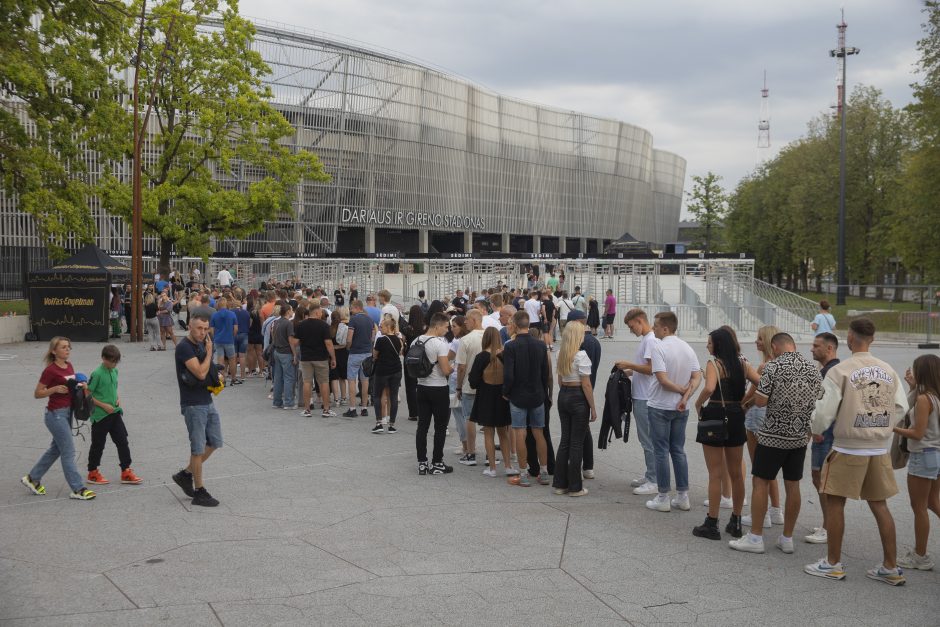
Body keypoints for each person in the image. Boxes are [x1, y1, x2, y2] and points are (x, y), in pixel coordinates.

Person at [805, 318, 908, 585]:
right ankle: (890, 566)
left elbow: (824, 411)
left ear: (850, 339)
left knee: (835, 501)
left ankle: (832, 563)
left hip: (848, 446)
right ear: (872, 339)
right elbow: (901, 407)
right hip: (877, 447)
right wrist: (884, 427)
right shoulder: (887, 369)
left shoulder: (842, 371)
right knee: (880, 505)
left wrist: (815, 426)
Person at [729, 333, 820, 555]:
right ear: (794, 345)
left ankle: (756, 537)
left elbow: (760, 401)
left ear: (775, 346)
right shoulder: (812, 369)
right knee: (793, 484)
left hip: (773, 435)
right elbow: (818, 399)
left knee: (761, 481)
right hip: (799, 436)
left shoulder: (773, 367)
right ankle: (787, 537)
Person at [692, 329, 760, 541]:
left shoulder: (715, 364)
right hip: (736, 414)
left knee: (715, 473)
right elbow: (761, 383)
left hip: (715, 413)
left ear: (718, 345)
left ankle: (712, 522)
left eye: (710, 343)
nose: (707, 346)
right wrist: (746, 404)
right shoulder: (742, 363)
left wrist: (698, 402)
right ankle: (736, 520)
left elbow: (710, 388)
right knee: (737, 473)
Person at [21, 337, 96, 500]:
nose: (67, 349)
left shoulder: (69, 366)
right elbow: (37, 393)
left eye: (68, 347)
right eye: (63, 347)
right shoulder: (50, 370)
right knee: (68, 451)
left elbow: (70, 386)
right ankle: (78, 488)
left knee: (56, 449)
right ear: (54, 351)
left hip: (68, 412)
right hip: (55, 415)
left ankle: (32, 478)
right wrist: (54, 388)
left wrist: (80, 385)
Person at [645, 311, 701, 513]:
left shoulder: (659, 347)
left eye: (656, 326)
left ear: (665, 328)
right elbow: (697, 376)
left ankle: (663, 496)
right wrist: (686, 397)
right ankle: (682, 495)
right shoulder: (687, 348)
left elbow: (662, 378)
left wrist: (681, 391)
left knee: (661, 450)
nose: (654, 328)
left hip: (660, 405)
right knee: (678, 449)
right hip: (680, 407)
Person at [893, 354, 940, 571]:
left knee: (919, 507)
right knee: (932, 503)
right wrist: (913, 386)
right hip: (936, 455)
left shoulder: (924, 399)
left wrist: (891, 428)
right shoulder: (934, 397)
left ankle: (921, 556)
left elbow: (917, 433)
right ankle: (920, 553)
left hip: (923, 455)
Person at [172, 314, 222, 507]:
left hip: (206, 399)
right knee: (198, 448)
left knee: (215, 442)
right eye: (199, 328)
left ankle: (186, 474)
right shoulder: (184, 347)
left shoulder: (202, 343)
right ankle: (199, 492)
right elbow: (199, 372)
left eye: (206, 328)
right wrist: (209, 353)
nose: (203, 332)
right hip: (193, 403)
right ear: (190, 327)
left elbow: (206, 371)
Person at [742, 325, 784, 529]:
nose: (756, 341)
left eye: (759, 338)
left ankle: (762, 513)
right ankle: (776, 510)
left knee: (758, 468)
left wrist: (741, 405)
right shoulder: (782, 365)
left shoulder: (764, 367)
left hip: (757, 417)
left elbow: (752, 395)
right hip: (773, 418)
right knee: (770, 469)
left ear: (768, 341)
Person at [503, 309, 550, 487]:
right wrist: (544, 391)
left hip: (518, 394)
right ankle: (543, 471)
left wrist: (506, 391)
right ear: (528, 324)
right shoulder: (540, 345)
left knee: (520, 433)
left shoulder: (511, 346)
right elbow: (545, 373)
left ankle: (523, 473)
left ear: (515, 324)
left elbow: (509, 374)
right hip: (537, 393)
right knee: (539, 433)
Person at [84, 345, 142, 486]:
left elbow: (114, 387)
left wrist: (117, 398)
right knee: (98, 444)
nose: (114, 364)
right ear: (103, 358)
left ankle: (126, 471)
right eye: (111, 361)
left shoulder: (114, 370)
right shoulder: (96, 373)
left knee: (122, 441)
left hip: (115, 413)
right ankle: (92, 472)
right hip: (100, 415)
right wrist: (104, 406)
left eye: (116, 361)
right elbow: (87, 394)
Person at [616, 308, 658, 495]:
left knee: (648, 439)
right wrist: (627, 372)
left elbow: (651, 369)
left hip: (646, 397)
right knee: (646, 438)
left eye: (632, 326)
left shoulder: (650, 340)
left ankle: (654, 479)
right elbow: (644, 369)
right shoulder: (647, 340)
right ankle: (651, 473)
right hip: (642, 395)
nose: (632, 330)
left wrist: (629, 365)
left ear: (640, 321)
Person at [552, 321, 597, 497]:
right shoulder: (582, 356)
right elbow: (586, 384)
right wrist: (592, 407)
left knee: (565, 440)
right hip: (578, 396)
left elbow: (560, 381)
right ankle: (575, 486)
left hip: (564, 395)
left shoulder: (560, 354)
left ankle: (560, 484)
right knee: (576, 443)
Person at [806, 332, 841, 544]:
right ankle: (827, 523)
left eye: (816, 345)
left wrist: (816, 430)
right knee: (820, 479)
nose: (812, 349)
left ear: (829, 348)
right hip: (825, 432)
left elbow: (827, 407)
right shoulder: (829, 370)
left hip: (826, 434)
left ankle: (829, 527)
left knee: (822, 480)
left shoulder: (831, 372)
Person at [469, 327, 517, 477]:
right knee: (504, 433)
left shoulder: (481, 357)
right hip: (502, 397)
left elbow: (473, 382)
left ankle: (492, 468)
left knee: (488, 432)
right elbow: (511, 377)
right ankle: (508, 465)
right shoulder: (504, 355)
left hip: (485, 397)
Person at [414, 312, 454, 475]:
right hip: (438, 387)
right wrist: (453, 368)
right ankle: (437, 462)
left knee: (422, 426)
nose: (447, 330)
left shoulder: (416, 341)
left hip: (421, 386)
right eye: (445, 327)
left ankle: (422, 462)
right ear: (437, 326)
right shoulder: (440, 343)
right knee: (440, 427)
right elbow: (445, 370)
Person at [295, 303, 336, 418]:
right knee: (324, 382)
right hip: (321, 358)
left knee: (307, 382)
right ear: (317, 312)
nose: (322, 313)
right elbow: (328, 343)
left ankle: (307, 409)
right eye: (321, 312)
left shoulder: (301, 325)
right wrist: (333, 357)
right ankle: (326, 409)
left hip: (306, 358)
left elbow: (295, 342)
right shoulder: (324, 326)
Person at [456, 310, 485, 465]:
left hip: (469, 384)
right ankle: (489, 455)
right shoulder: (491, 336)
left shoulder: (466, 339)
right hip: (488, 385)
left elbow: (461, 366)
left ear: (474, 320)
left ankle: (471, 453)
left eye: (467, 319)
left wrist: (459, 387)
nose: (465, 322)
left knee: (469, 418)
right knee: (488, 420)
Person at [370, 316, 403, 433]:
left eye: (382, 326)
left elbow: (375, 355)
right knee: (393, 396)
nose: (380, 328)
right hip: (396, 370)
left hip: (382, 370)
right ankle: (391, 424)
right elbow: (399, 352)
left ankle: (379, 423)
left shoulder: (381, 340)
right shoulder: (398, 340)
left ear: (389, 327)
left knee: (378, 395)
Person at [343, 299, 375, 418]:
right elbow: (372, 338)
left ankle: (352, 408)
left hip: (355, 352)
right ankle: (364, 407)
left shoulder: (354, 320)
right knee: (365, 380)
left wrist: (348, 346)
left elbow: (349, 338)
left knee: (352, 380)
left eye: (351, 308)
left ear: (357, 307)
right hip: (367, 353)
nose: (351, 310)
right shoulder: (370, 320)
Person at [269, 303, 298, 410]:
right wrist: (295, 354)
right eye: (291, 310)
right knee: (289, 378)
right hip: (286, 352)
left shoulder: (276, 322)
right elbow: (291, 341)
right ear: (288, 312)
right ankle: (289, 402)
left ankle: (277, 401)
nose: (292, 312)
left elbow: (272, 335)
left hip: (277, 351)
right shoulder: (288, 324)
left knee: (278, 378)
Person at [403, 305, 426, 421]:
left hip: (410, 357)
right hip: (422, 358)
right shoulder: (425, 329)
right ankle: (423, 410)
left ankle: (413, 412)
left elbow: (403, 342)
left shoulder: (408, 329)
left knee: (410, 386)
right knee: (422, 384)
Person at [210, 296, 238, 385]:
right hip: (229, 339)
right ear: (226, 304)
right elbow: (236, 329)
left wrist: (215, 337)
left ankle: (222, 379)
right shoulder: (232, 314)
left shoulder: (214, 315)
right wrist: (232, 335)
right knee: (232, 359)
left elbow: (211, 330)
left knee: (220, 359)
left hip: (218, 339)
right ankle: (233, 378)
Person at [329, 308, 350, 407]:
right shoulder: (345, 328)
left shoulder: (329, 328)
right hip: (343, 353)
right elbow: (346, 343)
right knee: (343, 377)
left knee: (334, 378)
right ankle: (344, 398)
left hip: (332, 354)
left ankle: (336, 399)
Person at [232, 298, 250, 383]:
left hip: (234, 334)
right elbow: (250, 323)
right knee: (242, 356)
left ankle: (234, 375)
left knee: (234, 356)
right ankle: (243, 375)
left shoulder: (231, 312)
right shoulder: (246, 312)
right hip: (244, 334)